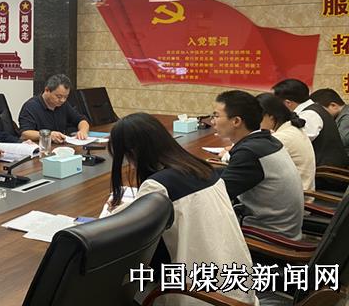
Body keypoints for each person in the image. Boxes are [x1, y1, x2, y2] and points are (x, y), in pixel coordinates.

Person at [102, 113, 256, 306]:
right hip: (239, 291)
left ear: (133, 152)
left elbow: (122, 233)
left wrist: (115, 212)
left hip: (200, 296)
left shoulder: (159, 186)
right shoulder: (202, 169)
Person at [213, 90, 303, 239]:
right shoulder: (266, 140)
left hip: (269, 237)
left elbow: (216, 196)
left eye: (216, 116)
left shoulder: (249, 152)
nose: (212, 121)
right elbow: (230, 176)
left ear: (236, 121)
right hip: (285, 228)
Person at [272, 79, 347, 167]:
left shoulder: (310, 115)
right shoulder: (313, 109)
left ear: (287, 103)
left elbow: (295, 143)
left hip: (326, 172)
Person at [256, 93, 316, 191]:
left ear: (271, 117)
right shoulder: (290, 128)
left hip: (297, 194)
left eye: (258, 118)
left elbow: (253, 159)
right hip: (296, 190)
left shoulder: (283, 137)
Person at [18, 74, 89, 143]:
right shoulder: (30, 106)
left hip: (61, 146)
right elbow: (25, 133)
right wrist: (48, 135)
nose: (62, 100)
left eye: (66, 97)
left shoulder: (63, 104)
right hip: (41, 147)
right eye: (59, 96)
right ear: (47, 90)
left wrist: (83, 131)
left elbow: (81, 120)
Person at [310, 88, 349, 154]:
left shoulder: (347, 116)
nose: (319, 114)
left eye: (321, 110)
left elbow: (339, 142)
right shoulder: (341, 115)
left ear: (333, 105)